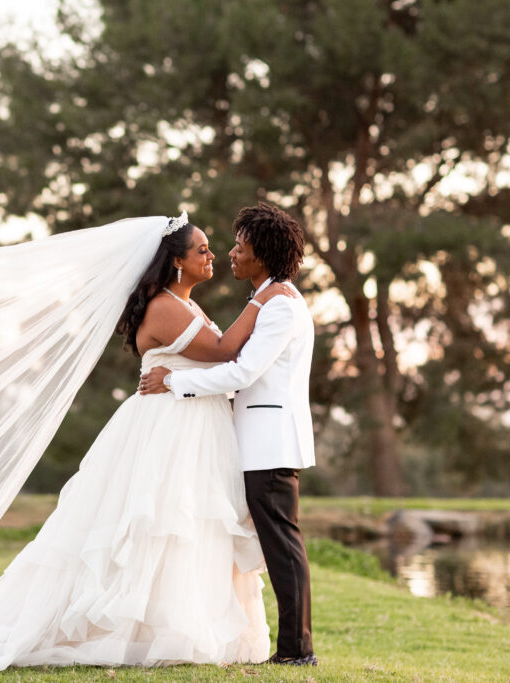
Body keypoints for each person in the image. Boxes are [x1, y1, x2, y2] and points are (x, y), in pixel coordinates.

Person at [0, 213, 293, 673]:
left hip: (192, 428)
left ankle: (181, 624)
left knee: (186, 526)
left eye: (214, 249)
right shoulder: (167, 307)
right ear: (176, 261)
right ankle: (146, 629)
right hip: (168, 430)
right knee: (159, 523)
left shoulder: (186, 304)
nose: (213, 256)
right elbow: (227, 350)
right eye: (203, 250)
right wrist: (264, 296)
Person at [140, 202, 318, 667]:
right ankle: (294, 648)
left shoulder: (279, 302)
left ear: (260, 253)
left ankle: (297, 652)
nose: (232, 254)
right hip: (258, 440)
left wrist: (174, 382)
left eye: (240, 246)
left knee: (282, 545)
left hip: (270, 440)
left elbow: (242, 371)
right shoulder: (268, 298)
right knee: (277, 543)